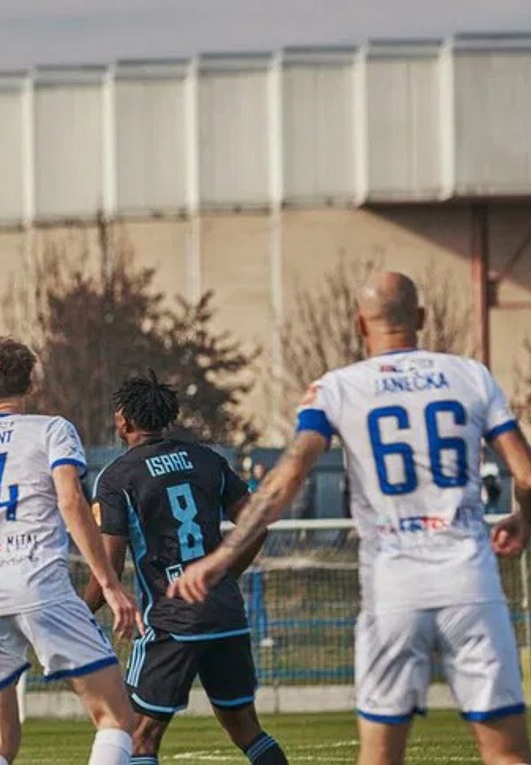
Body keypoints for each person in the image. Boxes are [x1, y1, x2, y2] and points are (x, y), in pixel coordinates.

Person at [171, 272, 531, 765]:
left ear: (361, 324)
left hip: (394, 590)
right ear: (421, 318)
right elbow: (526, 473)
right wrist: (522, 517)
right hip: (470, 581)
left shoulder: (338, 389)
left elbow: (287, 478)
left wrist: (222, 556)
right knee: (507, 754)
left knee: (380, 757)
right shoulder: (471, 375)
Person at [0, 337, 140, 765]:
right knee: (117, 718)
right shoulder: (52, 430)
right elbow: (70, 501)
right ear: (30, 385)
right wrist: (110, 584)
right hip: (39, 585)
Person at [82, 372, 286, 765]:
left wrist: (75, 611)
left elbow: (109, 566)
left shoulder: (117, 478)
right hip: (225, 611)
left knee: (138, 736)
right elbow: (256, 524)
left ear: (122, 419)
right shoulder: (207, 459)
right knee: (246, 730)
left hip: (172, 618)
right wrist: (223, 576)